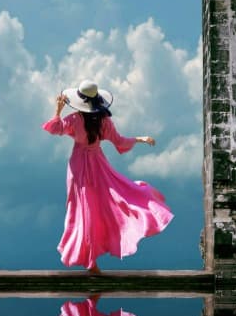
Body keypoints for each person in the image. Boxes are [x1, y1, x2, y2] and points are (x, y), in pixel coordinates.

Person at [43, 79, 174, 274]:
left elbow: (55, 129)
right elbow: (119, 141)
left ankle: (91, 261)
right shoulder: (103, 121)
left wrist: (58, 110)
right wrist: (139, 139)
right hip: (97, 163)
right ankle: (92, 259)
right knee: (113, 200)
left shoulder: (74, 120)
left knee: (83, 210)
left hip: (79, 166)